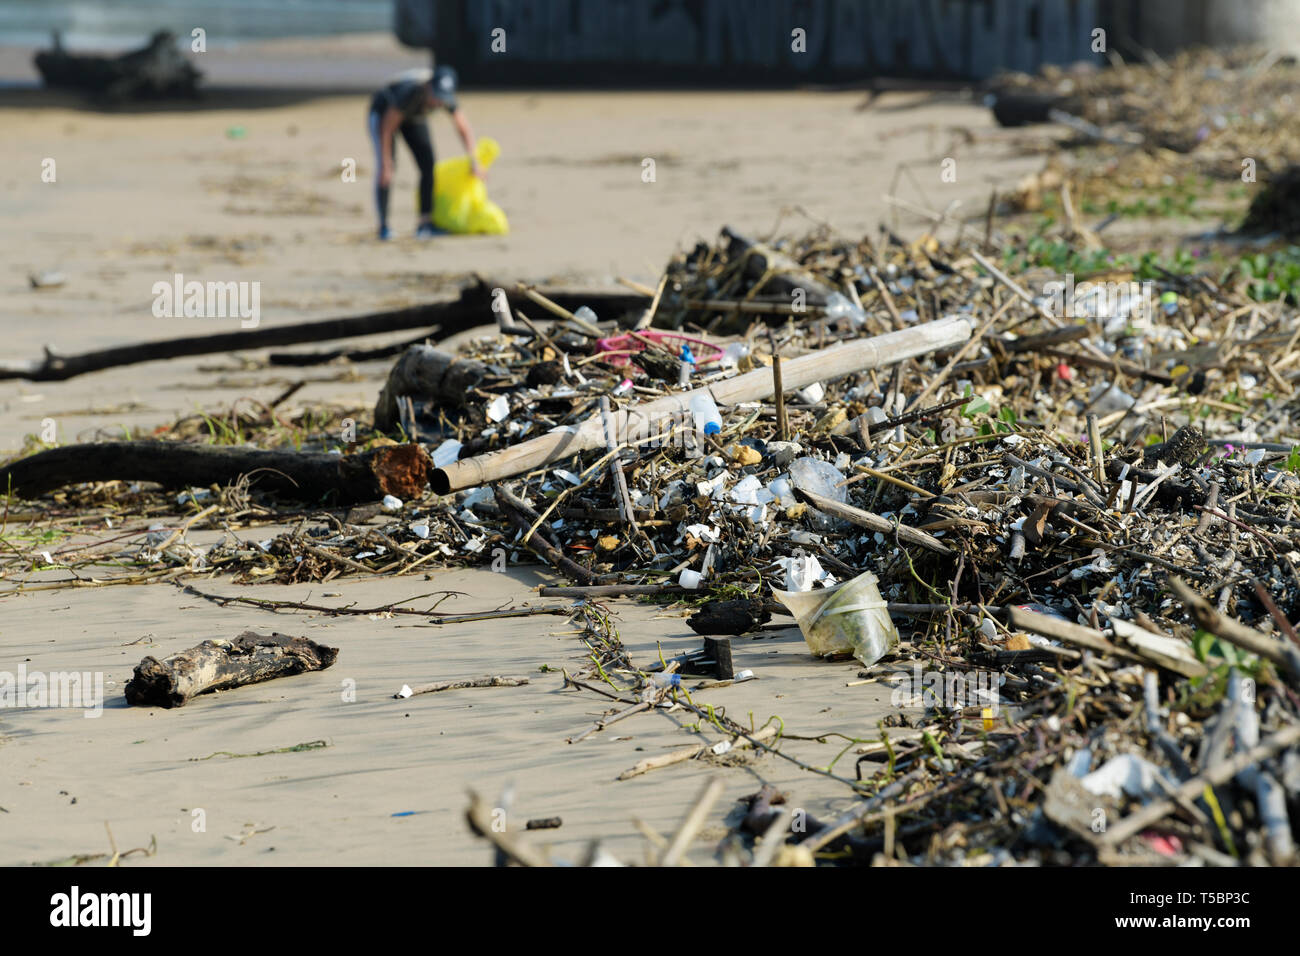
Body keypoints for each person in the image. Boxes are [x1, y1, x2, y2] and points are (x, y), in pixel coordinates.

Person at [366, 65, 481, 240]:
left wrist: (475, 160)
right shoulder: (409, 91)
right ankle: (384, 227)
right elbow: (388, 127)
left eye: (443, 98)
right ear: (428, 87)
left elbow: (463, 127)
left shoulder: (445, 97)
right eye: (436, 96)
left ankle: (425, 225)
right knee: (387, 170)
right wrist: (386, 160)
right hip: (383, 114)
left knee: (428, 166)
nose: (438, 102)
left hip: (414, 117)